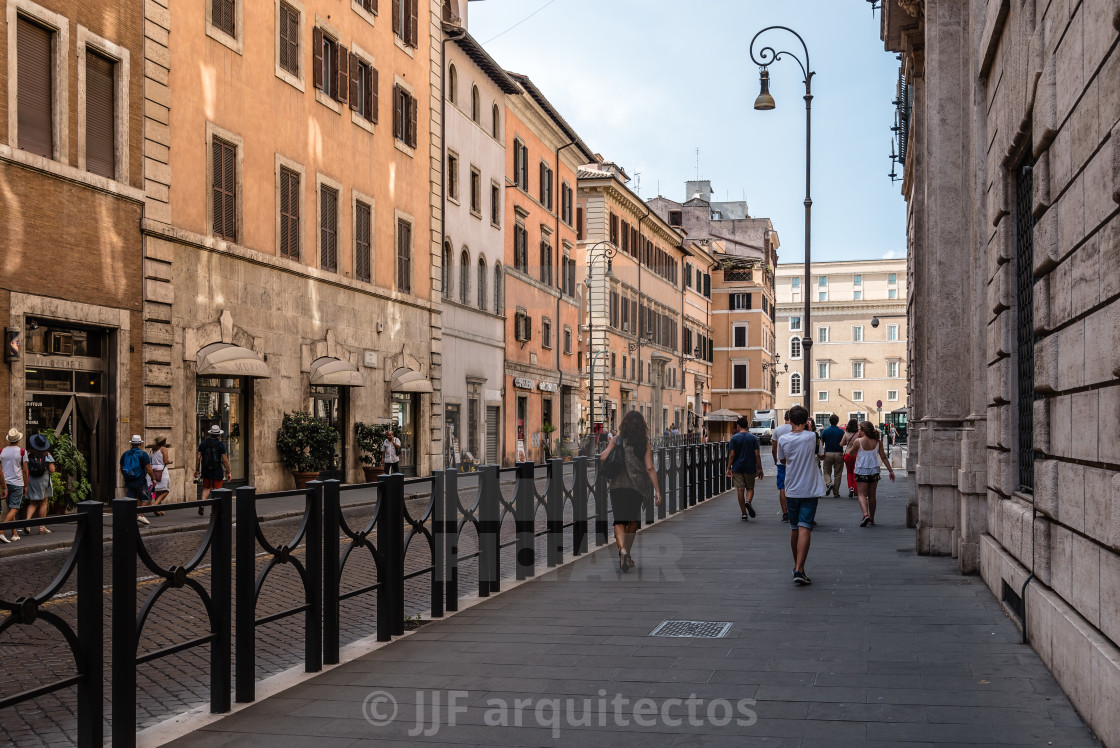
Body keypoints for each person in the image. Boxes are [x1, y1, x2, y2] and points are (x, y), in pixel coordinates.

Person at [599, 410, 662, 572]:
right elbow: (650, 467)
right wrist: (657, 491)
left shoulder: (616, 440)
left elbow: (603, 457)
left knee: (619, 520)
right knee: (632, 521)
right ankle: (626, 554)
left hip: (617, 486)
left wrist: (612, 450)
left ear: (624, 425)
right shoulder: (644, 443)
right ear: (642, 426)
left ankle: (622, 552)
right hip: (637, 487)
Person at [777, 406, 826, 585]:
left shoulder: (783, 439)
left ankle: (798, 566)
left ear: (789, 420)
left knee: (794, 527)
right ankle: (799, 568)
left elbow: (782, 460)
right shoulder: (813, 437)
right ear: (807, 422)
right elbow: (822, 456)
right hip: (810, 488)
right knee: (805, 526)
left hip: (791, 489)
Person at [849, 420, 896, 526]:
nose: (858, 431)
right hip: (874, 470)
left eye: (860, 429)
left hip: (862, 470)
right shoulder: (877, 442)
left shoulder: (858, 441)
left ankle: (865, 515)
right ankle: (872, 518)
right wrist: (890, 471)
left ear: (864, 430)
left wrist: (853, 450)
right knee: (872, 496)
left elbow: (851, 453)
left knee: (861, 495)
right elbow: (883, 457)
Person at [726, 416, 764, 521]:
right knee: (750, 488)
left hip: (737, 467)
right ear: (747, 426)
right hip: (750, 466)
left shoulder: (734, 438)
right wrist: (760, 468)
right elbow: (757, 455)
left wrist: (728, 467)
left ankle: (743, 513)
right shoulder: (753, 438)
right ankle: (748, 501)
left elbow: (732, 455)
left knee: (740, 489)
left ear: (738, 426)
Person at [22, 433, 55, 535]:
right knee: (44, 502)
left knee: (33, 503)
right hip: (43, 480)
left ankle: (27, 522)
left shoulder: (28, 454)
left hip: (32, 480)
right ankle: (42, 527)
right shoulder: (47, 455)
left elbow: (25, 468)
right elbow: (52, 470)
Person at [194, 425, 231, 515]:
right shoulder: (221, 445)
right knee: (217, 490)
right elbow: (225, 460)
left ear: (211, 433)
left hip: (206, 469)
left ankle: (202, 504)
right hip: (217, 470)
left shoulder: (204, 443)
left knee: (206, 488)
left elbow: (198, 457)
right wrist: (229, 472)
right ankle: (214, 511)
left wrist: (197, 470)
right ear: (219, 435)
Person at [1, 428, 29, 543]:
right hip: (17, 483)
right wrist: (26, 485)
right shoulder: (22, 452)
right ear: (18, 439)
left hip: (5, 483)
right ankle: (1, 531)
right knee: (14, 508)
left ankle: (15, 534)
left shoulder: (2, 451)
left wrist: (3, 486)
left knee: (10, 508)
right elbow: (24, 470)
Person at [121, 435, 157, 525]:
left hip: (129, 481)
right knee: (145, 498)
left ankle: (131, 518)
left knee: (131, 500)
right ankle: (141, 515)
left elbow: (121, 467)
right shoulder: (143, 454)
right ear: (140, 444)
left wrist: (126, 476)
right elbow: (148, 468)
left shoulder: (125, 454)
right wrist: (153, 479)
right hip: (140, 481)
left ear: (131, 444)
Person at [771, 412, 793, 522]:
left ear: (784, 418)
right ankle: (794, 510)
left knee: (782, 487)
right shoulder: (795, 429)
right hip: (793, 463)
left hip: (781, 463)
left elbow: (774, 448)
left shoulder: (778, 430)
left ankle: (785, 513)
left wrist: (775, 459)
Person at [820, 414, 846, 497]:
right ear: (837, 421)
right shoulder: (841, 431)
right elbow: (844, 443)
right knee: (838, 473)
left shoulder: (825, 431)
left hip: (828, 453)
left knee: (826, 470)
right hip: (839, 453)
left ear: (829, 421)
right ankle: (836, 492)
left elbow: (821, 443)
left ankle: (829, 483)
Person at [147, 436, 172, 515]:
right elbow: (165, 461)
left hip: (153, 470)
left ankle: (158, 510)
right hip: (162, 471)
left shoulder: (152, 449)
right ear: (163, 442)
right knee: (166, 490)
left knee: (157, 491)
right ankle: (155, 505)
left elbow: (149, 459)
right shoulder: (163, 449)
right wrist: (170, 461)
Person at [841, 419, 860, 498]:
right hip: (856, 454)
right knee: (855, 472)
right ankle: (856, 490)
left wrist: (846, 442)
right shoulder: (859, 433)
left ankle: (851, 487)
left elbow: (842, 444)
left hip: (848, 454)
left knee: (849, 472)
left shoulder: (846, 433)